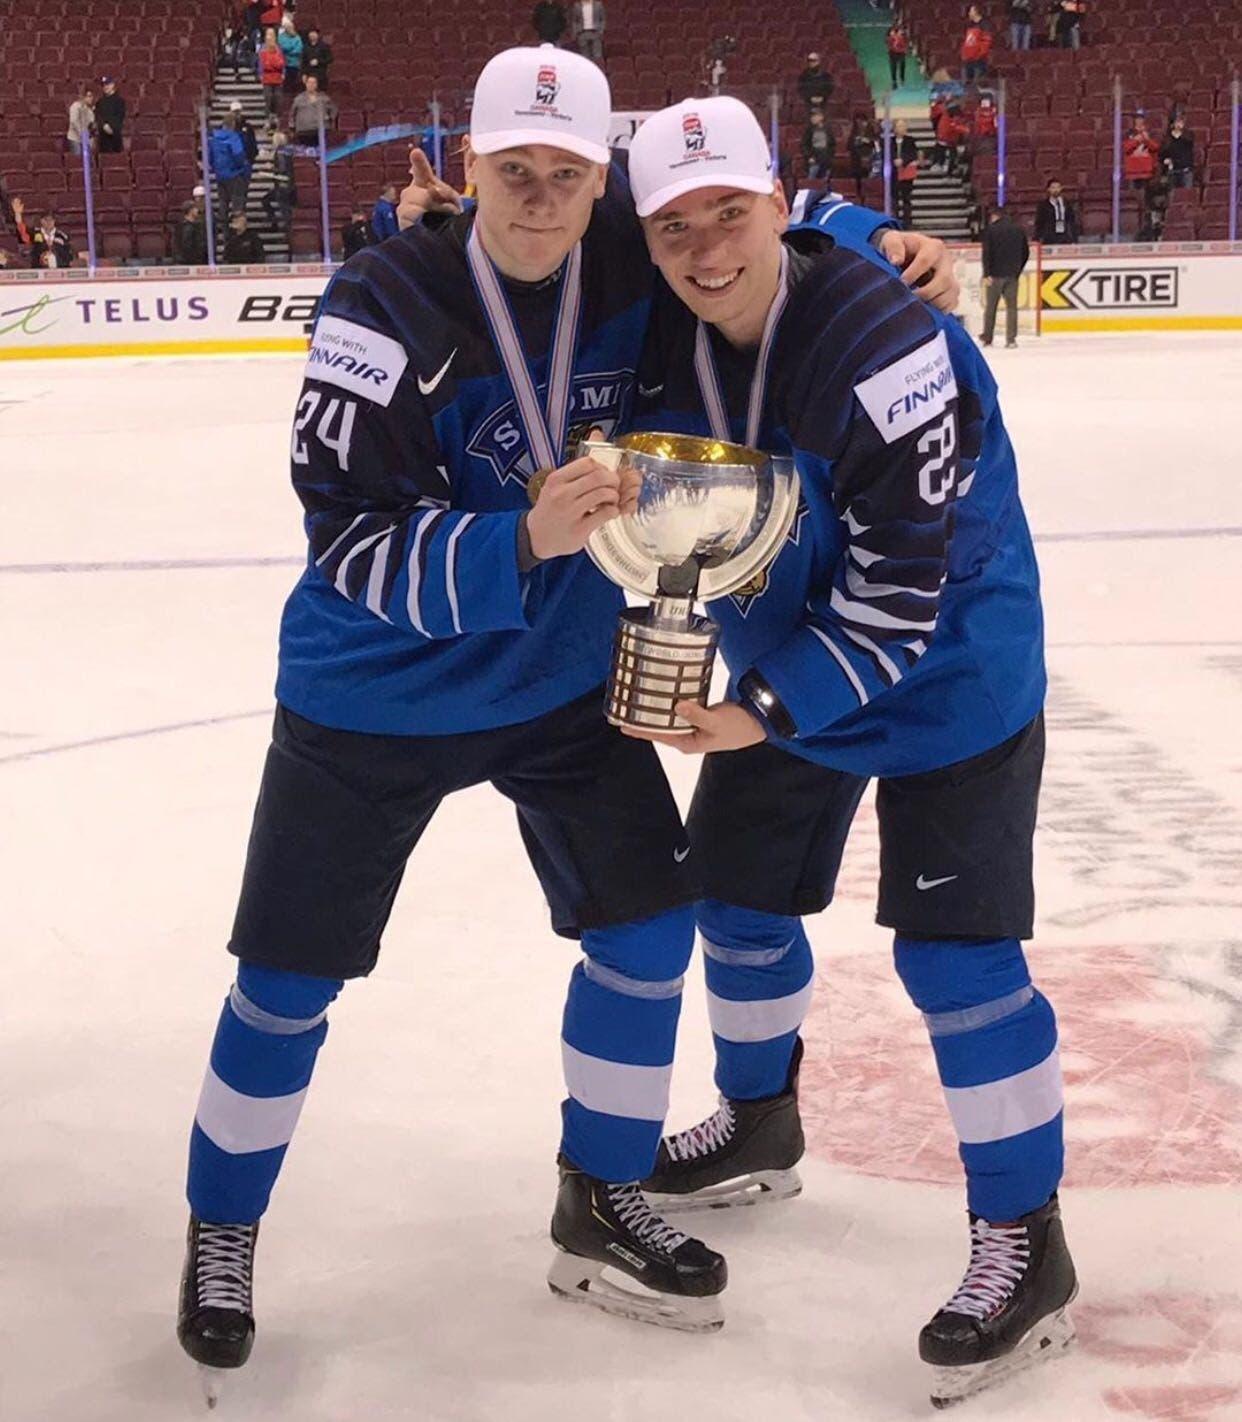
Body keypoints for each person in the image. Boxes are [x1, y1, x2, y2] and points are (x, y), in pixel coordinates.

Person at [175, 47, 734, 1391]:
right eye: (513, 172)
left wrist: (873, 232)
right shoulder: (382, 300)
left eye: (565, 177)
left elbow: (734, 215)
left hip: (550, 687)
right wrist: (517, 540)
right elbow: (347, 544)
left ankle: (596, 1189)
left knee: (650, 934)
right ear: (467, 164)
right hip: (375, 692)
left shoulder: (616, 258)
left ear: (596, 178)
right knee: (289, 980)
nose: (539, 201)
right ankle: (221, 1226)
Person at [621, 94, 1075, 1411]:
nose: (704, 249)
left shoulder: (891, 353)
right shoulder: (686, 294)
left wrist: (755, 710)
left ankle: (1022, 1237)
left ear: (775, 202)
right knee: (735, 903)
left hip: (948, 673)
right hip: (789, 644)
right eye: (675, 226)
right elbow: (597, 218)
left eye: (731, 214)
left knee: (957, 959)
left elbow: (899, 596)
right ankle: (760, 1115)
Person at [979, 204, 1028, 346]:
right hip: (1012, 274)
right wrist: (1018, 270)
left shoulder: (991, 230)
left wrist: (986, 273)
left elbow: (987, 253)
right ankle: (1011, 339)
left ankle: (988, 338)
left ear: (995, 216)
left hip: (995, 275)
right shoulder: (1018, 230)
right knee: (1012, 308)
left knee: (991, 308)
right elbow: (1025, 252)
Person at [209, 113, 252, 222]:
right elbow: (238, 155)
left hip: (220, 176)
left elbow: (210, 156)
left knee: (223, 203)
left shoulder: (214, 138)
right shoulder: (233, 137)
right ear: (233, 124)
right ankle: (236, 232)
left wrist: (215, 169)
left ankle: (225, 232)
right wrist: (243, 167)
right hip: (234, 175)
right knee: (237, 205)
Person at [261, 131, 296, 233]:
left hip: (282, 185)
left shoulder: (280, 153)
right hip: (289, 183)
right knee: (268, 200)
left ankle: (284, 227)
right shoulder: (288, 152)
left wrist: (271, 168)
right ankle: (275, 222)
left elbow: (282, 169)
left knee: (284, 209)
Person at [289, 73, 337, 146]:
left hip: (320, 130)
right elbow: (292, 114)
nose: (311, 85)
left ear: (317, 84)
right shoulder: (298, 99)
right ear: (306, 84)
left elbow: (334, 110)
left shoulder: (324, 98)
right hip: (303, 131)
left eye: (313, 83)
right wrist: (292, 127)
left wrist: (329, 118)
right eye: (309, 82)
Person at [889, 116, 919, 226]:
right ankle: (895, 220)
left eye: (903, 126)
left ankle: (907, 221)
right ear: (894, 128)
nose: (902, 128)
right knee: (894, 198)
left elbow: (913, 154)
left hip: (906, 173)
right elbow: (887, 154)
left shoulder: (910, 141)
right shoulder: (889, 141)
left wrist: (903, 161)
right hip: (894, 174)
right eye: (899, 126)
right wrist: (894, 160)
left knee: (906, 198)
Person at [1034, 177, 1079, 244]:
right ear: (1048, 189)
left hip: (1065, 237)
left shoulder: (1067, 203)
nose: (1056, 190)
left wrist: (1074, 238)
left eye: (1058, 187)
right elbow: (1039, 223)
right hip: (1049, 238)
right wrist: (1037, 238)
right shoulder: (1043, 205)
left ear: (1061, 188)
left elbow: (1072, 221)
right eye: (1053, 188)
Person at [1124, 114, 1159, 191]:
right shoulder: (1128, 134)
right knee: (1134, 195)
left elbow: (1155, 147)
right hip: (1133, 171)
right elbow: (1126, 148)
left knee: (1147, 196)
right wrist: (1136, 140)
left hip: (1147, 171)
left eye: (1141, 119)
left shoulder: (1151, 133)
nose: (1139, 121)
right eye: (1137, 119)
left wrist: (1147, 140)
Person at [258, 29, 286, 123]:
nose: (270, 37)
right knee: (268, 98)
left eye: (272, 35)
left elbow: (281, 64)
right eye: (268, 35)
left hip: (278, 78)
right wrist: (262, 73)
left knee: (278, 99)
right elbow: (263, 64)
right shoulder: (262, 50)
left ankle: (278, 118)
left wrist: (281, 71)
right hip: (267, 78)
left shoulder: (279, 49)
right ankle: (267, 119)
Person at [847, 114, 878, 196]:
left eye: (863, 122)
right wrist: (856, 141)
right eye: (859, 122)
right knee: (858, 181)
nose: (861, 124)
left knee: (869, 180)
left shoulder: (872, 132)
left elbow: (877, 144)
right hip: (856, 161)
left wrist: (868, 141)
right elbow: (848, 146)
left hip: (869, 159)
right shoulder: (853, 133)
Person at [1160, 117, 1195, 189]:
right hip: (1172, 170)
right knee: (1172, 194)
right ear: (1173, 124)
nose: (1179, 124)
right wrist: (1165, 160)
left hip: (1186, 170)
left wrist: (1182, 132)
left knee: (1186, 193)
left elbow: (1190, 141)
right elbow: (1162, 154)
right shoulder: (1167, 139)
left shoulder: (1188, 135)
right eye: (1177, 122)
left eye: (1181, 122)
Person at [961, 6, 993, 84]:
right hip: (968, 60)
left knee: (977, 84)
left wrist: (978, 55)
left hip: (979, 60)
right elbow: (968, 41)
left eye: (970, 11)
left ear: (976, 12)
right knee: (966, 83)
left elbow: (986, 42)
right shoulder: (970, 25)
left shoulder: (985, 24)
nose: (969, 14)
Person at [801, 109, 835, 181]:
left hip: (826, 160)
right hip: (814, 160)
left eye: (815, 116)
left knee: (825, 182)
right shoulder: (809, 130)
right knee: (811, 181)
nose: (812, 118)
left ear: (821, 117)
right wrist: (809, 156)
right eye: (811, 116)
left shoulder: (828, 130)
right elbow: (804, 145)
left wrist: (830, 156)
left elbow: (832, 144)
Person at [95, 77, 126, 154]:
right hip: (103, 137)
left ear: (113, 85)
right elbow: (98, 116)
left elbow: (120, 117)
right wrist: (104, 125)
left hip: (115, 135)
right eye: (103, 85)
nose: (105, 87)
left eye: (107, 84)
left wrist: (111, 127)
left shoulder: (119, 101)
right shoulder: (100, 102)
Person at [175, 199, 209, 264]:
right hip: (190, 262)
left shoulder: (196, 225)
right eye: (195, 208)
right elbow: (187, 246)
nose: (197, 211)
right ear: (190, 210)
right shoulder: (186, 227)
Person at [66, 86, 95, 157]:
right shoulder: (75, 106)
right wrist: (82, 133)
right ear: (83, 97)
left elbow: (91, 123)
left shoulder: (89, 109)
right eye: (89, 96)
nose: (91, 98)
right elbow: (74, 121)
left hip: (86, 139)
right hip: (75, 138)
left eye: (92, 96)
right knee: (77, 159)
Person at [278, 14, 304, 95]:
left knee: (294, 80)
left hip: (295, 63)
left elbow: (299, 49)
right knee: (286, 81)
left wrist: (289, 50)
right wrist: (292, 47)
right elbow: (282, 46)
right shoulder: (281, 37)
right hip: (285, 63)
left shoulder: (297, 37)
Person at [886, 21, 909, 87]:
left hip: (901, 52)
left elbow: (906, 40)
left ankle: (902, 79)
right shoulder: (890, 31)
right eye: (895, 24)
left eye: (898, 24)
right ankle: (894, 81)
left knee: (902, 66)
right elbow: (887, 40)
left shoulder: (903, 32)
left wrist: (905, 49)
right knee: (893, 67)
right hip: (892, 52)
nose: (896, 26)